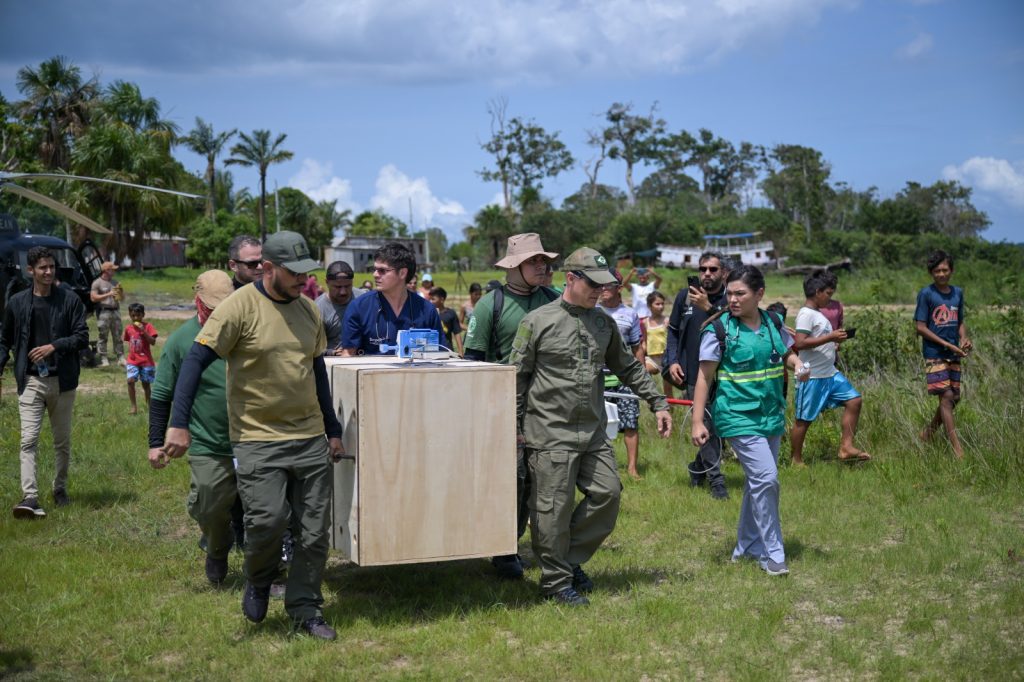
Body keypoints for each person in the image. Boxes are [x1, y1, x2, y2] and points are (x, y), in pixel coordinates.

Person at [162, 230, 345, 640]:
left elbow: (317, 373)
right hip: (257, 437)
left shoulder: (310, 312)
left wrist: (332, 430)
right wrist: (178, 422)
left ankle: (305, 609)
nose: (303, 280)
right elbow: (195, 361)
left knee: (314, 533)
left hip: (309, 436)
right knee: (267, 522)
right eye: (294, 272)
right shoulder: (238, 308)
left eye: (306, 272)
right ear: (268, 268)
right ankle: (259, 579)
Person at [512, 247, 671, 606]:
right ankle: (555, 583)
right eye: (593, 284)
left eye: (605, 285)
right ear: (570, 279)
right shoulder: (537, 322)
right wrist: (514, 431)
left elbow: (629, 367)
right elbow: (516, 379)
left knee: (608, 494)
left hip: (593, 431)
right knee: (552, 510)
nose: (600, 291)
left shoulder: (603, 324)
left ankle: (567, 560)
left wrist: (657, 402)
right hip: (549, 432)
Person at [690, 265, 808, 576]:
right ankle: (773, 553)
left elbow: (785, 352)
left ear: (759, 294)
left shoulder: (772, 322)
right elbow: (703, 377)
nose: (732, 299)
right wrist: (697, 421)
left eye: (740, 293)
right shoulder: (720, 329)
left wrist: (797, 365)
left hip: (770, 415)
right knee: (767, 479)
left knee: (758, 483)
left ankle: (744, 548)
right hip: (736, 416)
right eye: (729, 293)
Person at [462, 233, 559, 580]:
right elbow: (472, 360)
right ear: (514, 266)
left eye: (543, 260)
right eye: (534, 261)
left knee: (539, 479)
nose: (542, 266)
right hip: (503, 406)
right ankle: (505, 550)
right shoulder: (491, 304)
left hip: (549, 405)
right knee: (512, 479)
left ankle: (526, 543)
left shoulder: (555, 299)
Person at [148, 270, 237, 585]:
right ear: (197, 299)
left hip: (254, 438)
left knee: (268, 509)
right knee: (209, 504)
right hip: (208, 442)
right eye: (211, 306)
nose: (217, 313)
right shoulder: (182, 340)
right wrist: (155, 442)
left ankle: (268, 571)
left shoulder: (245, 329)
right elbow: (161, 396)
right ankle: (217, 547)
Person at [1, 246, 88, 519]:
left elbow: (82, 336)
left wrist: (54, 346)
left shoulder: (70, 300)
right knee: (28, 440)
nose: (49, 271)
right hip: (30, 380)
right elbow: (5, 339)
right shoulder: (16, 302)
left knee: (61, 442)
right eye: (43, 268)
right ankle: (30, 496)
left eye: (51, 266)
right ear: (31, 271)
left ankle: (59, 489)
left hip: (62, 381)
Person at [665, 251, 731, 499]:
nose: (706, 274)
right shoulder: (684, 297)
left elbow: (734, 328)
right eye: (703, 269)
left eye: (713, 269)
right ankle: (717, 482)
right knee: (704, 425)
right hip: (694, 375)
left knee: (720, 428)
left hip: (727, 376)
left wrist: (709, 308)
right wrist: (672, 361)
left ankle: (697, 467)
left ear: (723, 272)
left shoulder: (730, 298)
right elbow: (672, 331)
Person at [790, 272, 870, 466]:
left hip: (830, 373)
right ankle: (796, 460)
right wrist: (830, 338)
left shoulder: (818, 314)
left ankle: (846, 447)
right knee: (804, 420)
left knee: (854, 400)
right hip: (813, 376)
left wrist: (833, 343)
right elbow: (800, 343)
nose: (830, 297)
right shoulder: (806, 314)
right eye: (828, 293)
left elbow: (816, 340)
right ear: (817, 292)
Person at [915, 249, 972, 459]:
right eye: (937, 271)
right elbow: (920, 327)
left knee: (954, 398)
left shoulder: (957, 293)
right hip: (934, 353)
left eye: (945, 270)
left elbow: (960, 321)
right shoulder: (927, 294)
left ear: (952, 270)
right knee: (946, 397)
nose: (941, 274)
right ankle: (958, 449)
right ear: (931, 273)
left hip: (954, 354)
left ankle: (928, 433)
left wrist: (963, 339)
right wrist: (946, 344)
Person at [340, 242, 444, 356]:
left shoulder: (427, 310)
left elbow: (438, 353)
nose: (375, 274)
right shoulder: (359, 307)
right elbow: (348, 355)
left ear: (402, 273)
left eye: (382, 270)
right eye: (374, 269)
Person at [597, 270, 647, 481]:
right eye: (600, 285)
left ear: (618, 288)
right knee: (599, 425)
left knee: (630, 423)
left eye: (607, 286)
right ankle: (602, 467)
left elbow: (637, 348)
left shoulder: (630, 314)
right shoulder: (593, 312)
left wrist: (641, 378)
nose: (603, 290)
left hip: (624, 378)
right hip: (598, 379)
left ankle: (632, 469)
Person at [316, 260, 366, 355]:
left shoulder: (363, 299)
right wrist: (332, 353)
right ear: (327, 282)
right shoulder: (318, 309)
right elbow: (312, 347)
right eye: (338, 287)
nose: (343, 292)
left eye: (347, 286)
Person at [123, 302, 158, 416]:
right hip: (132, 361)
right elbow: (130, 341)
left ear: (143, 315)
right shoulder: (128, 328)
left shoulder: (148, 327)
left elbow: (152, 342)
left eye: (138, 315)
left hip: (146, 362)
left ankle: (149, 406)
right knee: (130, 381)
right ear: (130, 315)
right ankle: (133, 406)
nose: (135, 318)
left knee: (146, 384)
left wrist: (144, 332)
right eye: (133, 316)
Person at [90, 261, 124, 367]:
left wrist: (121, 293)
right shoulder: (97, 283)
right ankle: (104, 358)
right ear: (106, 270)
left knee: (118, 335)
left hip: (115, 311)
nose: (114, 271)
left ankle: (121, 357)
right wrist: (108, 294)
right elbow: (93, 298)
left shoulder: (115, 282)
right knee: (103, 336)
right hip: (104, 311)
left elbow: (122, 298)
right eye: (112, 269)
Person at [642, 290, 673, 399]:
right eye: (657, 304)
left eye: (662, 304)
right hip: (652, 359)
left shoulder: (667, 321)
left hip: (665, 358)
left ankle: (672, 411)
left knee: (668, 388)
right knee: (643, 372)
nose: (661, 307)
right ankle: (652, 401)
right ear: (650, 306)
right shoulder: (645, 322)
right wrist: (641, 353)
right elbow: (645, 341)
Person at [429, 286, 463, 354]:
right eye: (430, 299)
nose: (430, 301)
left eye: (433, 299)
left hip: (447, 351)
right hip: (431, 351)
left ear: (442, 299)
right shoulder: (429, 314)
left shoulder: (451, 314)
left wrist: (461, 352)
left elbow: (457, 333)